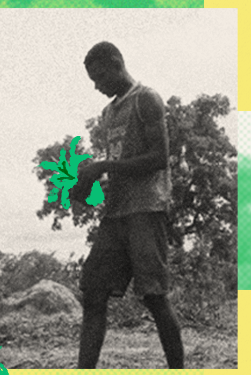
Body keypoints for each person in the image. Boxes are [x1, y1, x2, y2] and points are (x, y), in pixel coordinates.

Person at [74, 41, 184, 369]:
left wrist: (104, 167)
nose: (97, 85)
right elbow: (124, 163)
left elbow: (159, 157)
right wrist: (91, 182)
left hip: (146, 210)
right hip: (116, 213)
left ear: (118, 63)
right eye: (92, 79)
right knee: (93, 292)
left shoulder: (146, 99)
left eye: (100, 75)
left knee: (154, 296)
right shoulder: (109, 112)